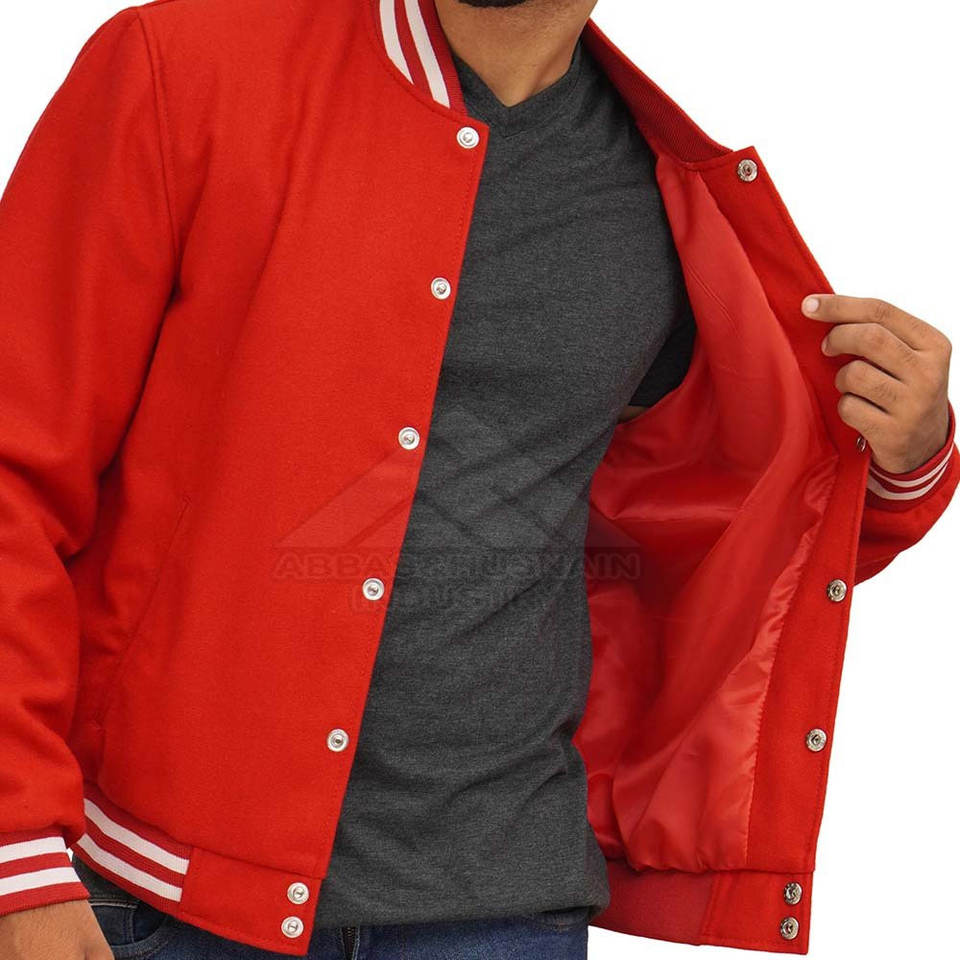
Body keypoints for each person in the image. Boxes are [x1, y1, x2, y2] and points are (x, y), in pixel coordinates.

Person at [0, 1, 955, 958]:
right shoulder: (183, 69)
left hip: (510, 906)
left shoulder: (661, 196)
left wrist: (902, 457)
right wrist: (17, 850)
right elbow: (17, 464)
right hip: (166, 891)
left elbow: (734, 533)